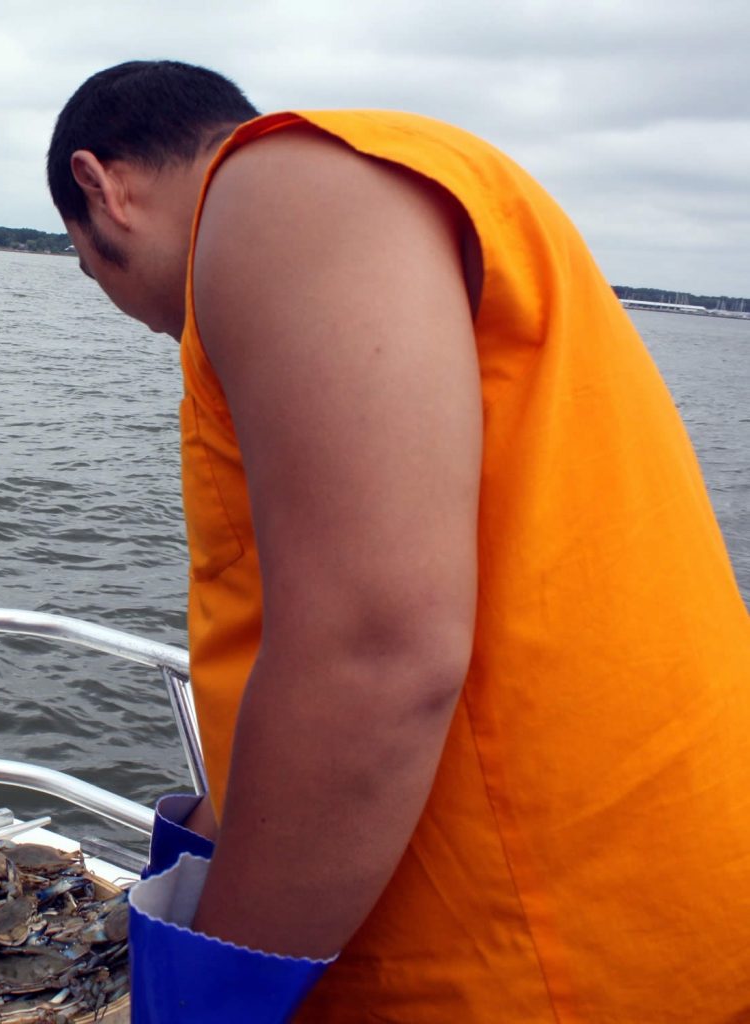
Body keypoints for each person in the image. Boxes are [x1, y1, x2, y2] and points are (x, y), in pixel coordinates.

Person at [47, 60, 750, 1022]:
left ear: (102, 187)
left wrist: (203, 997)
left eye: (89, 268)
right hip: (669, 912)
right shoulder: (410, 183)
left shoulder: (279, 189)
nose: (111, 299)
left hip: (532, 966)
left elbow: (375, 650)